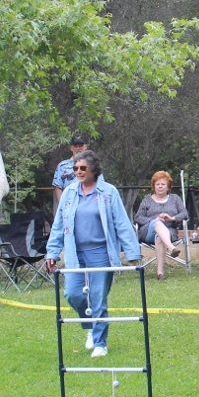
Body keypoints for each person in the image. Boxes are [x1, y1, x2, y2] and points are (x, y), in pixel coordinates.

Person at [45, 149, 140, 357]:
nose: (78, 172)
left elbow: (121, 223)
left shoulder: (108, 192)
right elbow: (59, 225)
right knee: (72, 294)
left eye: (82, 168)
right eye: (75, 168)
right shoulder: (69, 193)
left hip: (101, 253)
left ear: (93, 170)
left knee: (97, 298)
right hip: (75, 253)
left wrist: (133, 253)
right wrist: (52, 252)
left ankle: (100, 343)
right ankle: (89, 325)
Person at [134, 171, 188, 279]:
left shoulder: (175, 199)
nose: (160, 186)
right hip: (148, 231)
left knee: (160, 238)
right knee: (157, 223)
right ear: (154, 186)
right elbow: (138, 217)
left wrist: (172, 218)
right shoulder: (147, 200)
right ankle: (171, 247)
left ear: (168, 186)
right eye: (157, 184)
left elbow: (184, 213)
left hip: (169, 231)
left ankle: (160, 273)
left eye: (163, 184)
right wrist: (154, 219)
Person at [52, 133, 89, 208]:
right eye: (75, 146)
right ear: (71, 148)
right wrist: (62, 206)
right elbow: (57, 186)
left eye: (80, 146)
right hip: (69, 206)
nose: (78, 148)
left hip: (88, 205)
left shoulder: (92, 164)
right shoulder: (62, 166)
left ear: (85, 147)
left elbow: (100, 184)